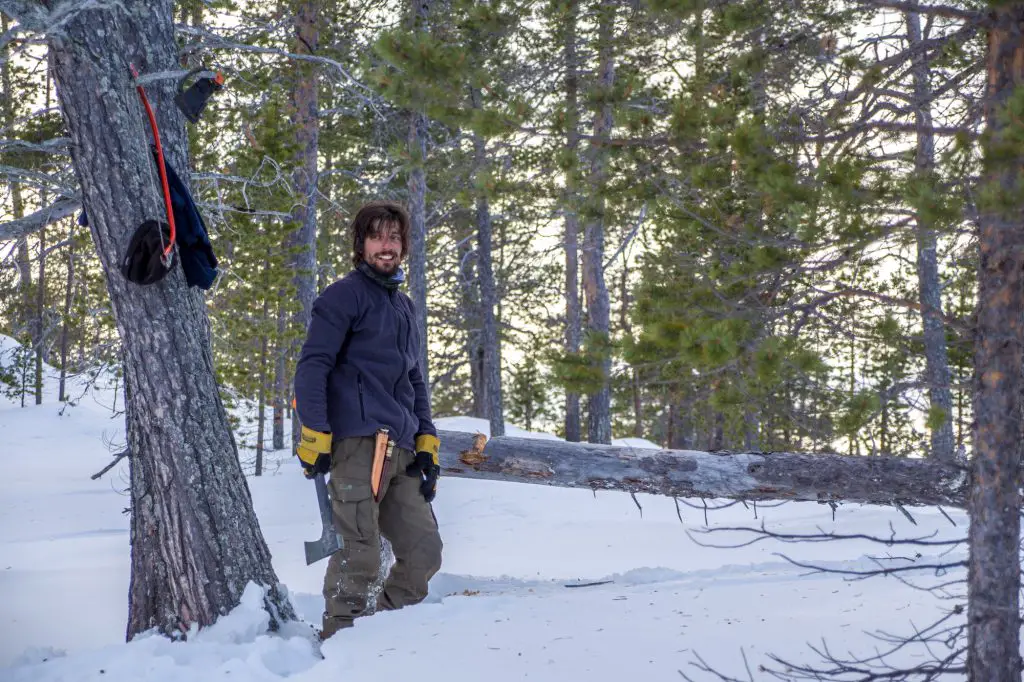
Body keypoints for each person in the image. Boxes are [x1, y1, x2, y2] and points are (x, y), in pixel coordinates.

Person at [293, 201, 442, 640]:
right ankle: (340, 644)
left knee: (423, 552)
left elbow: (415, 379)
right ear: (361, 245)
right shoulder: (343, 296)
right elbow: (313, 365)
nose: (387, 245)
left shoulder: (404, 308)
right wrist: (315, 433)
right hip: (357, 446)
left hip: (401, 450)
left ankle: (380, 637)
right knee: (359, 554)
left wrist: (427, 441)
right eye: (377, 236)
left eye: (395, 237)